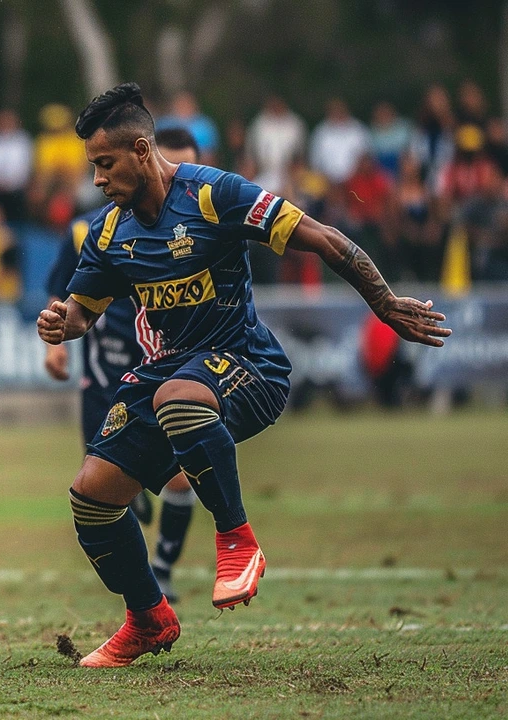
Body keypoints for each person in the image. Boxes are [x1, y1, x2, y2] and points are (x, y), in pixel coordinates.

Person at [37, 83, 449, 668]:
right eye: (93, 168)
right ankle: (148, 618)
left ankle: (237, 540)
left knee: (179, 400)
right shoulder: (109, 231)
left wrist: (383, 303)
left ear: (142, 149)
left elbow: (324, 239)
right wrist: (62, 322)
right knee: (92, 499)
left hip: (249, 366)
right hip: (167, 376)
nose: (98, 180)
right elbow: (83, 311)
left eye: (105, 164)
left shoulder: (214, 194)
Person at [44, 127, 200, 603]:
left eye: (185, 169)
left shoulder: (200, 224)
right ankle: (141, 580)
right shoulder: (91, 229)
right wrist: (57, 340)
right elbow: (63, 290)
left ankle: (164, 569)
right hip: (105, 378)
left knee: (178, 477)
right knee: (100, 486)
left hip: (168, 369)